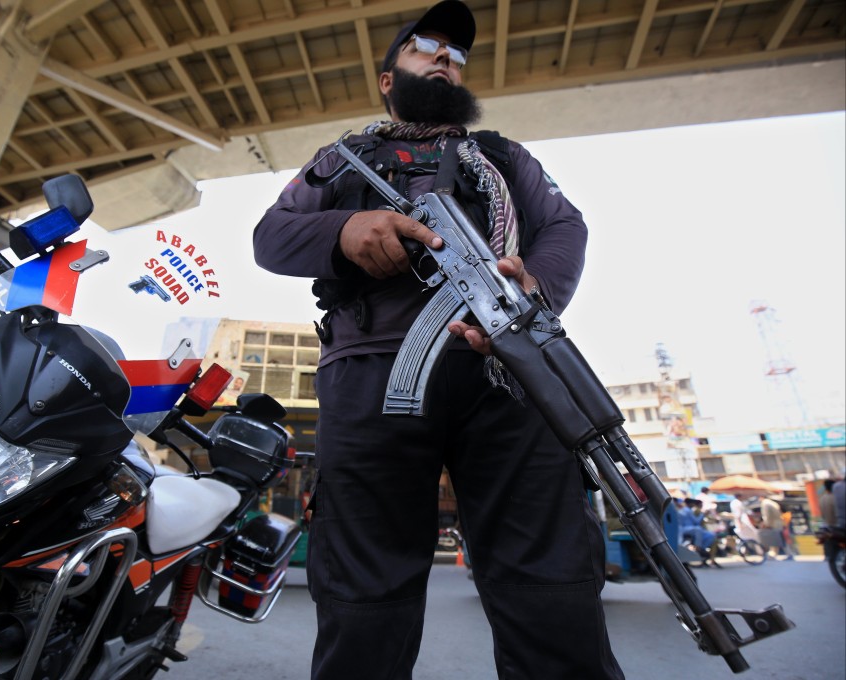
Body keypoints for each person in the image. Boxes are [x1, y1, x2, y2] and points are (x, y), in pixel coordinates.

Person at [252, 3, 625, 678]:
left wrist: (530, 284)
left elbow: (564, 229)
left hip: (509, 371)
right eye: (426, 45)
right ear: (388, 78)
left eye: (457, 51)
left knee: (551, 585)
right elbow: (272, 237)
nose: (446, 55)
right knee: (364, 589)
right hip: (372, 376)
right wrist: (345, 233)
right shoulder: (338, 160)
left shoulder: (506, 158)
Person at [678, 498, 720, 566]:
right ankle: (699, 548)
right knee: (699, 530)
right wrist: (703, 514)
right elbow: (697, 522)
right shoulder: (690, 511)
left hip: (694, 529)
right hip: (688, 529)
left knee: (711, 535)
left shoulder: (689, 510)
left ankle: (702, 551)